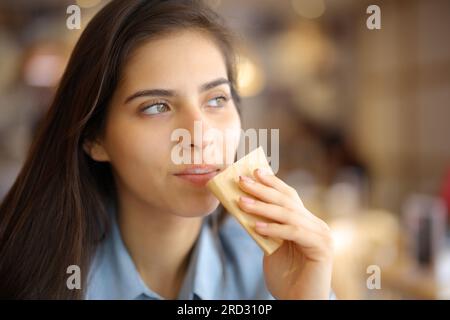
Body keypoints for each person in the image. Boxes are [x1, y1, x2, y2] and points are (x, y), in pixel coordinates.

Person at [0, 0, 334, 300]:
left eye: (217, 99)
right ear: (95, 139)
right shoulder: (31, 278)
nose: (200, 136)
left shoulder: (279, 272)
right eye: (156, 106)